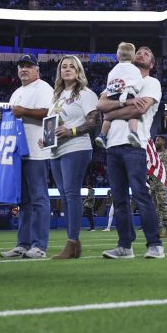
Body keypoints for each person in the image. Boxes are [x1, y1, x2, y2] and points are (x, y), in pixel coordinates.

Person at [93, 45, 164, 260]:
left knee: (141, 195)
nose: (141, 54)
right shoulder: (120, 79)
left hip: (135, 144)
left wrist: (111, 114)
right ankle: (125, 245)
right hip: (112, 146)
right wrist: (122, 104)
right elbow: (100, 104)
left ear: (152, 64)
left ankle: (155, 244)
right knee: (119, 199)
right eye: (139, 52)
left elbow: (139, 109)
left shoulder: (152, 83)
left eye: (147, 54)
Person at [0, 55, 54, 260]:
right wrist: (0, 115)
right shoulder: (17, 93)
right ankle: (23, 244)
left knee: (39, 198)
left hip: (37, 151)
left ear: (37, 69)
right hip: (19, 152)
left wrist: (24, 112)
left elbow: (50, 113)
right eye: (21, 66)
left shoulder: (44, 88)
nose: (24, 69)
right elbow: (13, 116)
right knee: (23, 201)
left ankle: (39, 246)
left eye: (28, 66)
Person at [45, 55, 100, 259]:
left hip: (77, 147)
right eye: (63, 66)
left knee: (71, 194)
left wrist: (72, 131)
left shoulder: (85, 94)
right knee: (65, 197)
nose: (67, 69)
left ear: (78, 71)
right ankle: (74, 244)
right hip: (56, 150)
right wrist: (46, 138)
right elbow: (52, 123)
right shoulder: (56, 95)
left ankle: (72, 242)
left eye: (71, 66)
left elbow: (93, 121)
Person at [101, 43, 144, 148]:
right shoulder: (134, 69)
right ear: (133, 57)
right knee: (133, 115)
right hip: (127, 95)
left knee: (107, 118)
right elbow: (138, 84)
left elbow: (108, 85)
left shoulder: (113, 70)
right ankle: (133, 133)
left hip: (112, 95)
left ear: (118, 56)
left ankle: (102, 135)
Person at [148, 135, 167, 238]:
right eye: (155, 140)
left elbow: (162, 169)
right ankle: (158, 230)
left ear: (163, 142)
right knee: (155, 208)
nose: (155, 142)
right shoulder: (155, 154)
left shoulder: (166, 154)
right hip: (153, 184)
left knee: (163, 206)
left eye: (158, 140)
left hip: (161, 184)